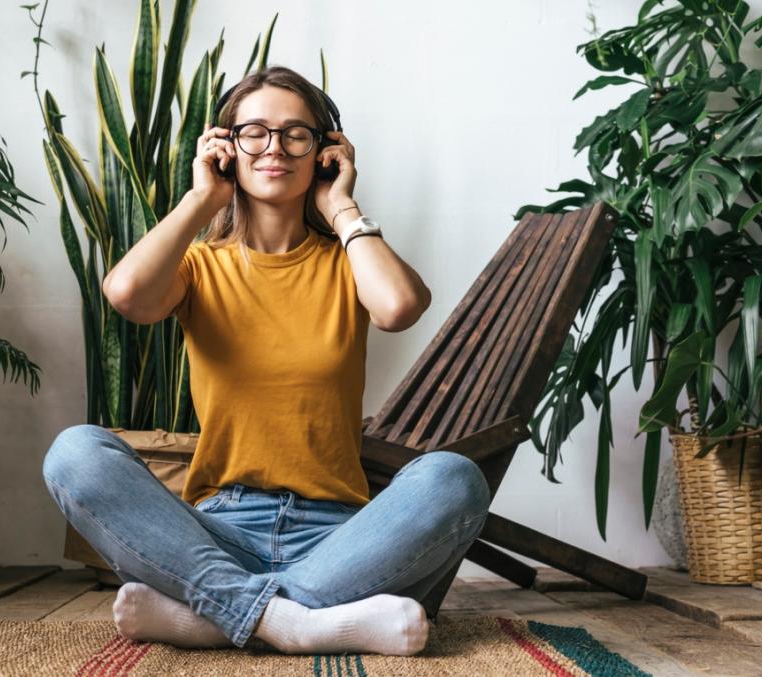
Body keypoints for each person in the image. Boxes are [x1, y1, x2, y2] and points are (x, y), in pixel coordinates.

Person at [42, 65, 491, 656]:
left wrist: (343, 207)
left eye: (296, 133)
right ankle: (301, 624)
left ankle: (214, 615)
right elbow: (127, 294)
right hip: (217, 531)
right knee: (75, 452)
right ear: (226, 149)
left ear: (325, 151)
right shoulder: (200, 267)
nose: (274, 147)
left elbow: (399, 307)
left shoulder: (348, 261)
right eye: (254, 132)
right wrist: (202, 198)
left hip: (343, 537)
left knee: (452, 478)